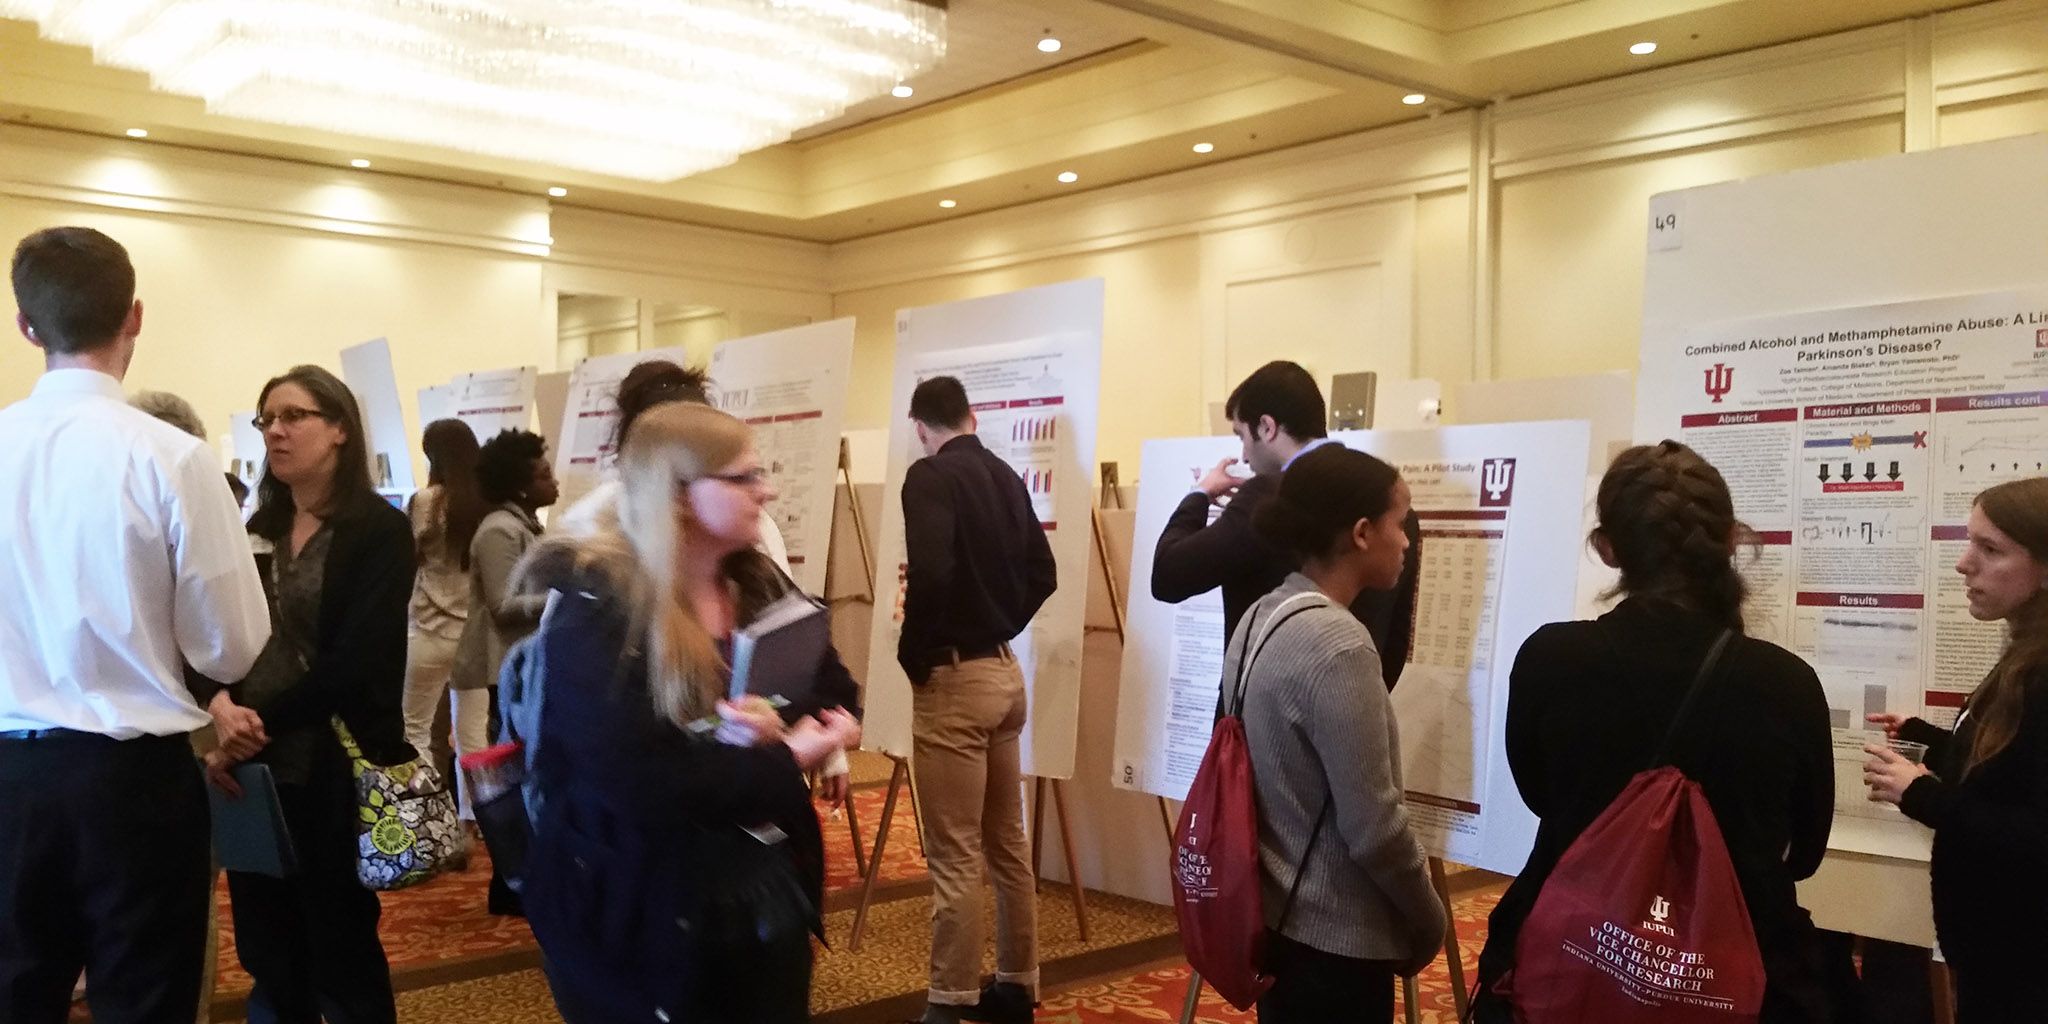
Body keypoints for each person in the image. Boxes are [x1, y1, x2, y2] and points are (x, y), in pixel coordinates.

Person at [517, 401, 861, 1024]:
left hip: (754, 886)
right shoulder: (597, 608)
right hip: (635, 903)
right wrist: (784, 755)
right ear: (677, 494)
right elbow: (641, 784)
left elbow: (831, 683)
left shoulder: (754, 581)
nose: (768, 489)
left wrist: (778, 720)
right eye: (744, 477)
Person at [0, 226, 268, 1023]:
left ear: (25, 325)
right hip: (132, 782)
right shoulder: (173, 458)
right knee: (146, 1000)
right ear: (135, 318)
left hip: (9, 779)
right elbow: (232, 644)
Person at [1473, 441, 1834, 1023]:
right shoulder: (1786, 683)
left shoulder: (1551, 658)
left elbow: (1542, 794)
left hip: (1573, 956)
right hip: (1740, 973)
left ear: (1608, 549)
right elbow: (1805, 851)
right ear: (1728, 542)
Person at [194, 364, 417, 1024]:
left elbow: (357, 662)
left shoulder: (377, 531)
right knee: (268, 948)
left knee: (340, 942)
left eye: (294, 416)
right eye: (268, 419)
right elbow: (208, 630)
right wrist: (218, 705)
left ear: (340, 428)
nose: (276, 431)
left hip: (333, 763)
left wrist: (252, 722)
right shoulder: (253, 526)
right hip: (252, 767)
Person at [1231, 444, 1445, 1023]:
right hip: (1337, 943)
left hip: (1276, 919)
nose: (1406, 541)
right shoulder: (1342, 646)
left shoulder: (1258, 618)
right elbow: (1373, 826)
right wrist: (1429, 918)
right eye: (1399, 524)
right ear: (1361, 533)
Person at [898, 375, 1057, 1024]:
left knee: (955, 850)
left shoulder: (929, 477)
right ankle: (1018, 983)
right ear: (971, 414)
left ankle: (950, 999)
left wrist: (918, 651)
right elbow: (1043, 574)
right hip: (1005, 674)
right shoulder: (1005, 476)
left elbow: (931, 573)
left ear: (920, 427)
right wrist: (1000, 623)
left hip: (956, 679)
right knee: (1007, 844)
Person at [1864, 476, 2048, 1021]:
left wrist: (1922, 794)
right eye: (1971, 543)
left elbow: (2036, 832)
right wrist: (1932, 741)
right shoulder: (2024, 657)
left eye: (1990, 549)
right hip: (2000, 957)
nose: (1964, 564)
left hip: (2025, 968)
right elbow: (2007, 768)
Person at [1150, 360, 1421, 689]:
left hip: (1261, 726)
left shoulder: (1266, 497)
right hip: (1354, 709)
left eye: (1241, 435)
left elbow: (1168, 575)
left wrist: (1200, 494)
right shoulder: (1392, 504)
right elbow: (1395, 643)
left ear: (1267, 427)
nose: (1245, 456)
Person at [452, 427, 557, 914]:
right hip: (504, 668)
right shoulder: (499, 529)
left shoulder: (522, 525)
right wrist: (565, 597)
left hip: (523, 664)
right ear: (519, 483)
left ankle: (523, 875)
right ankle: (509, 881)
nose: (553, 481)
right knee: (511, 772)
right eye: (543, 473)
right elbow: (502, 605)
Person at [400, 419, 485, 777]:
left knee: (414, 728)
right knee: (473, 735)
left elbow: (408, 558)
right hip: (474, 637)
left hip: (429, 630)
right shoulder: (489, 502)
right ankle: (477, 820)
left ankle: (425, 813)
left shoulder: (424, 502)